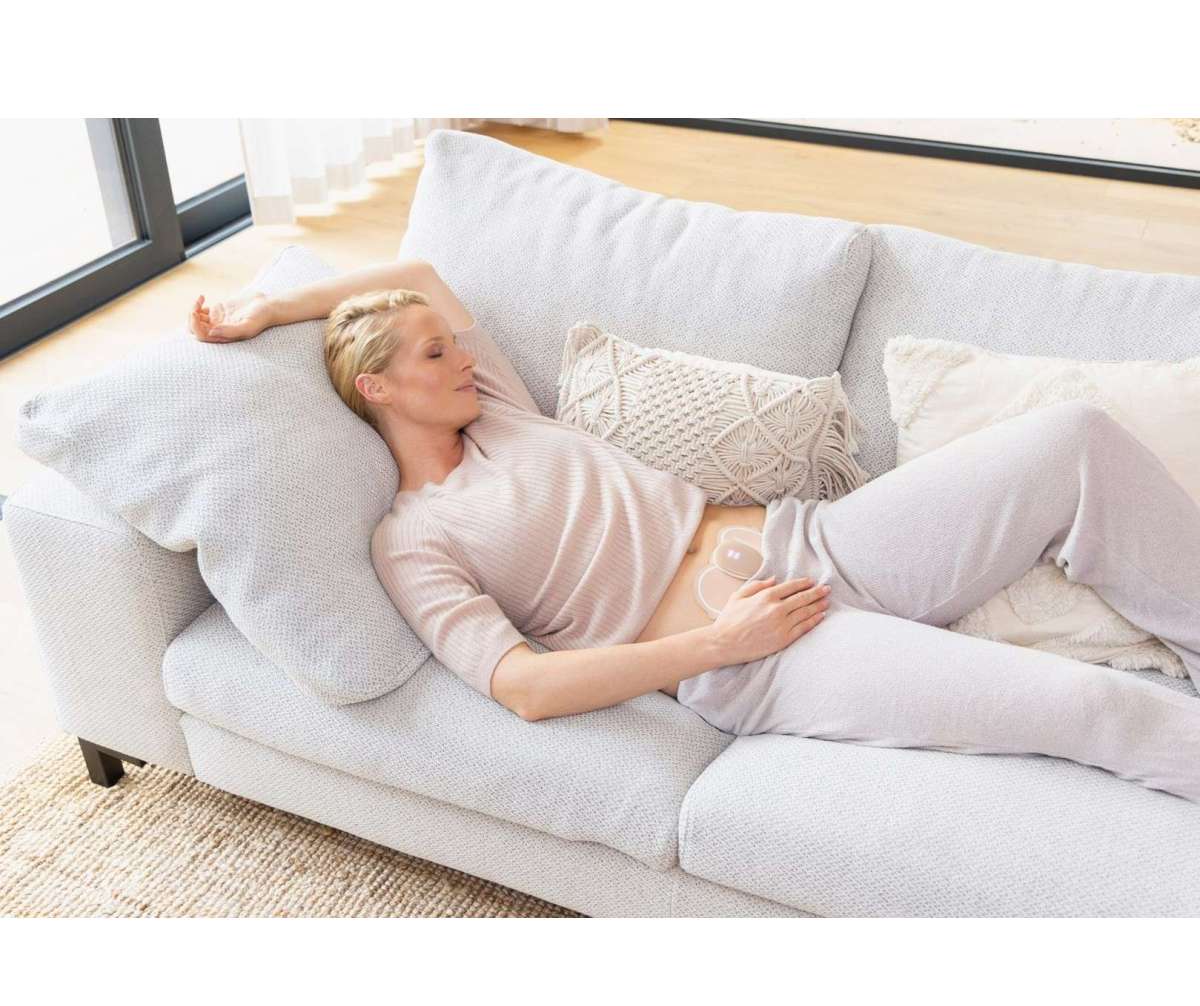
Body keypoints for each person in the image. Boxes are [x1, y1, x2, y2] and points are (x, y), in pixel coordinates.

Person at [189, 258, 1200, 807]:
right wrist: (721, 644)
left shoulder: (495, 409)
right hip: (762, 657)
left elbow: (420, 274)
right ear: (377, 388)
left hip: (822, 541)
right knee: (1091, 705)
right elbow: (525, 687)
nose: (459, 355)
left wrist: (270, 306)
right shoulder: (412, 539)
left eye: (453, 346)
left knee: (1073, 439)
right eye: (431, 354)